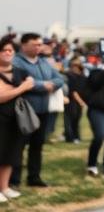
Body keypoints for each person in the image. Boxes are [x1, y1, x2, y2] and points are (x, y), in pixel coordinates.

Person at [11, 32, 64, 188]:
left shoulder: (43, 62)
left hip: (43, 110)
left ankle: (34, 177)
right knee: (18, 146)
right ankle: (14, 179)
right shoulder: (17, 62)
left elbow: (59, 79)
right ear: (24, 45)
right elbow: (23, 81)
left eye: (40, 44)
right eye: (35, 44)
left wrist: (50, 84)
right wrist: (44, 85)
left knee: (37, 145)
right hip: (25, 111)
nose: (39, 47)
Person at [0, 37, 34, 202]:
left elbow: (30, 85)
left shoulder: (20, 71)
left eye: (10, 50)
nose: (7, 53)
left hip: (16, 119)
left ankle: (5, 187)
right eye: (4, 50)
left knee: (10, 154)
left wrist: (28, 85)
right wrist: (22, 87)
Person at [63, 57, 87, 144]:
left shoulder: (83, 76)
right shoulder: (69, 76)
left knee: (76, 120)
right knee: (70, 120)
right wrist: (81, 102)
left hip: (78, 101)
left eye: (76, 65)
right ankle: (70, 137)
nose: (74, 67)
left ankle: (75, 136)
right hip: (71, 101)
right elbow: (73, 92)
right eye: (73, 65)